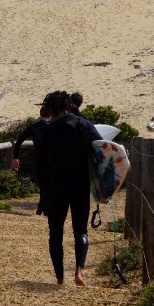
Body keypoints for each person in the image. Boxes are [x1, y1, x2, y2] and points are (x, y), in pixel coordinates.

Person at [42, 91, 101, 287]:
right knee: (80, 231)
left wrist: (44, 193)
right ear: (69, 106)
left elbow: (43, 163)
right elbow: (103, 151)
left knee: (55, 232)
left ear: (51, 109)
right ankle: (79, 272)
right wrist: (103, 186)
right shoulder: (84, 124)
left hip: (57, 185)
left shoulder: (48, 130)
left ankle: (59, 278)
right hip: (80, 184)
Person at [12, 97, 53, 215]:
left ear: (40, 114)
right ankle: (42, 209)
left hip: (38, 161)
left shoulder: (33, 127)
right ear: (50, 115)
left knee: (43, 185)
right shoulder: (53, 127)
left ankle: (43, 209)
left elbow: (19, 140)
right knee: (49, 186)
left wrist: (15, 156)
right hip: (50, 161)